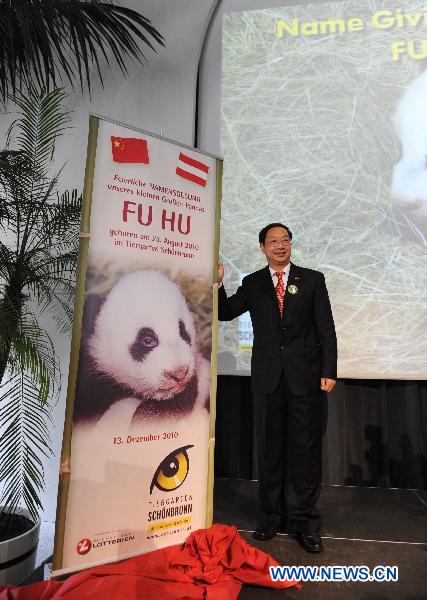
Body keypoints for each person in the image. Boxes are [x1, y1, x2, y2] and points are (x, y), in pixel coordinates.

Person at [217, 223, 337, 553]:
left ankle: (304, 521)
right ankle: (271, 516)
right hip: (267, 379)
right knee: (269, 450)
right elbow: (226, 312)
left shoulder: (312, 280)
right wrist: (217, 283)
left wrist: (328, 369)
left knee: (305, 451)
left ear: (290, 245)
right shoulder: (253, 282)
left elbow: (326, 328)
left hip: (305, 378)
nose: (280, 245)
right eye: (273, 241)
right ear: (262, 248)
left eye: (285, 240)